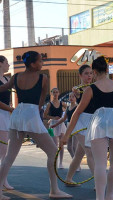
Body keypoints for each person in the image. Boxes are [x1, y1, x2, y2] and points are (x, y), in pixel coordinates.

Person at [0, 51, 72, 199]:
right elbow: (40, 100)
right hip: (30, 114)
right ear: (32, 64)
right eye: (40, 61)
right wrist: (36, 114)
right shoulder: (43, 78)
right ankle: (54, 190)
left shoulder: (16, 77)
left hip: (18, 114)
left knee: (9, 156)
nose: (42, 63)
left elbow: (2, 88)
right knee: (52, 151)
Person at [60, 56, 113, 200]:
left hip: (99, 122)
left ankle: (101, 197)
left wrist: (67, 135)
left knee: (100, 163)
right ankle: (110, 194)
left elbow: (77, 112)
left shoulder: (91, 89)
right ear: (106, 69)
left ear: (93, 71)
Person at [52, 64, 95, 185]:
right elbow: (75, 89)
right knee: (89, 152)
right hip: (80, 123)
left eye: (91, 73)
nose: (89, 76)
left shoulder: (94, 88)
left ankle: (68, 179)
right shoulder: (79, 89)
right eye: (86, 73)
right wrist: (75, 90)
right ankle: (99, 183)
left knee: (78, 155)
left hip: (91, 123)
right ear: (80, 75)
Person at [50, 92, 79, 165]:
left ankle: (76, 164)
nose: (71, 98)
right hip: (69, 127)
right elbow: (63, 119)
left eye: (73, 97)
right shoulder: (68, 108)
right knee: (69, 147)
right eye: (70, 97)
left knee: (74, 146)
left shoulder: (77, 107)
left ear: (76, 98)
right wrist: (55, 124)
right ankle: (76, 163)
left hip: (76, 127)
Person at [0, 56, 14, 191]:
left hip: (6, 116)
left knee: (5, 152)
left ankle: (3, 179)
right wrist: (10, 109)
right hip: (1, 116)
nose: (8, 65)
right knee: (2, 151)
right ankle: (2, 180)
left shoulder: (7, 80)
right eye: (6, 63)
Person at [44, 88, 67, 169]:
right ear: (52, 94)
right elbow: (44, 115)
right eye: (54, 92)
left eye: (57, 92)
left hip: (61, 124)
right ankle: (54, 162)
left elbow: (68, 110)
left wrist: (64, 116)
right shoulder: (49, 104)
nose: (55, 93)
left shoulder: (62, 103)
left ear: (59, 93)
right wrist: (53, 118)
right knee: (54, 145)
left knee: (61, 144)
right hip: (52, 125)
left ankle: (61, 163)